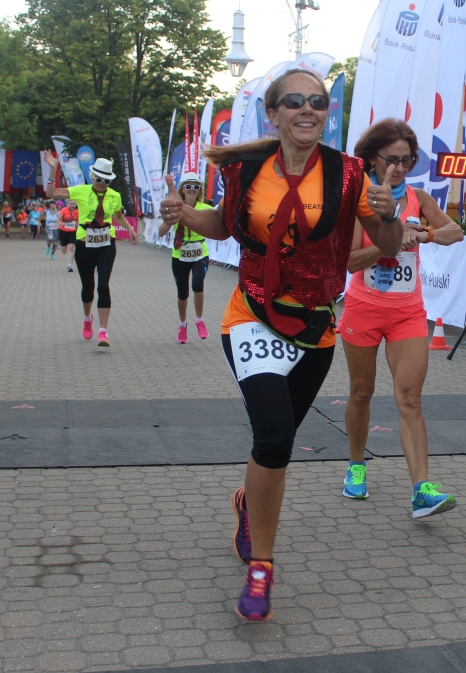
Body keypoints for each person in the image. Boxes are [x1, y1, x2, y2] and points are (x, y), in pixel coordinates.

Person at [158, 68, 402, 622]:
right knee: (273, 438)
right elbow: (224, 225)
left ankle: (250, 502)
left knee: (279, 441)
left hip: (315, 325)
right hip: (252, 315)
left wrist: (388, 216)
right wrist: (185, 214)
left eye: (317, 101)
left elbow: (386, 245)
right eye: (294, 101)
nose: (307, 109)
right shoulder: (245, 169)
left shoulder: (349, 174)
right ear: (273, 113)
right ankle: (261, 568)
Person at [339, 119, 464, 518]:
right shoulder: (358, 202)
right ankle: (356, 465)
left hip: (407, 312)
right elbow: (349, 262)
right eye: (391, 159)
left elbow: (456, 232)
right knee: (361, 393)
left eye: (407, 160)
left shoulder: (418, 198)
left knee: (410, 396)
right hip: (363, 308)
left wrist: (423, 234)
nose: (398, 168)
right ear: (372, 159)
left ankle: (421, 490)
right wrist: (389, 240)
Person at [44, 153, 138, 347]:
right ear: (92, 176)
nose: (102, 184)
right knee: (88, 288)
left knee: (103, 286)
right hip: (84, 244)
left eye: (106, 181)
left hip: (106, 244)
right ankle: (87, 318)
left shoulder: (115, 195)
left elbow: (118, 216)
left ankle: (103, 331)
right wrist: (53, 169)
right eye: (99, 179)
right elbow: (51, 194)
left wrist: (130, 229)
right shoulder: (81, 190)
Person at [158, 171, 214, 343]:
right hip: (180, 254)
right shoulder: (175, 207)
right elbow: (161, 232)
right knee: (182, 293)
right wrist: (171, 220)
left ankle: (200, 321)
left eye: (196, 186)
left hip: (199, 253)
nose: (192, 189)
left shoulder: (206, 209)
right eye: (188, 186)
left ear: (199, 190)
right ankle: (182, 325)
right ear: (182, 189)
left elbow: (217, 227)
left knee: (197, 285)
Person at [58, 199, 78, 271]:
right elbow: (58, 219)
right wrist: (61, 223)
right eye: (71, 204)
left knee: (71, 247)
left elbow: (77, 220)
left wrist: (77, 225)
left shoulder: (77, 211)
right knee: (64, 251)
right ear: (68, 204)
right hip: (63, 231)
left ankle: (69, 265)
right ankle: (63, 245)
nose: (72, 205)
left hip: (72, 232)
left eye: (73, 204)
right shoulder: (64, 210)